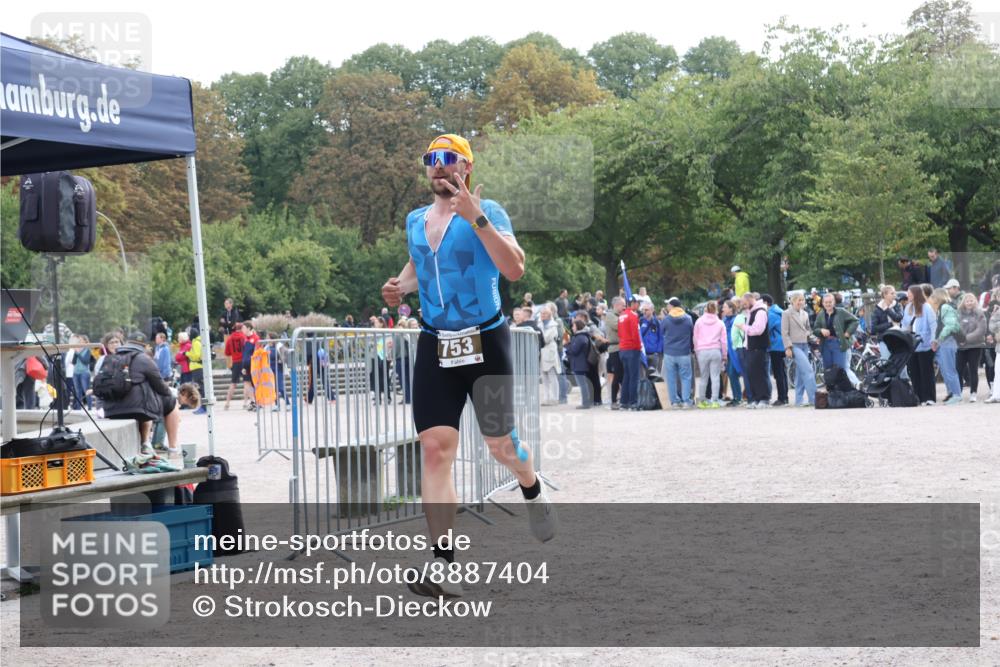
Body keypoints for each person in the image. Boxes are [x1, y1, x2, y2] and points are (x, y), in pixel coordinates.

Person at [380, 133, 555, 600]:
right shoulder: (415, 220)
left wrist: (474, 217)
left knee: (502, 446)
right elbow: (419, 264)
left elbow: (515, 268)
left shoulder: (488, 210)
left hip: (485, 342)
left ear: (466, 167)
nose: (438, 167)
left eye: (448, 159)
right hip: (436, 345)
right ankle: (443, 565)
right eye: (431, 160)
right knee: (435, 450)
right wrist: (400, 287)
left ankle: (530, 484)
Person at [102, 334, 187, 454]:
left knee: (144, 401)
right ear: (144, 347)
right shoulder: (143, 359)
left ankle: (147, 442)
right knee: (171, 402)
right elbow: (161, 387)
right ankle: (170, 447)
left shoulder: (111, 359)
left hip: (110, 410)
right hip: (135, 410)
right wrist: (172, 393)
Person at [813, 293, 860, 389]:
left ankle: (844, 391)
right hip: (826, 345)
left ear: (834, 302)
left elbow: (855, 321)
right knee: (828, 370)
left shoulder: (841, 311)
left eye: (830, 302)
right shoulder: (821, 314)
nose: (828, 304)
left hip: (839, 344)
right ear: (823, 303)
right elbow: (815, 329)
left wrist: (847, 333)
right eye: (826, 302)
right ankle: (832, 393)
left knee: (840, 369)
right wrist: (821, 331)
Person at [901, 285, 938, 405]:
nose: (908, 295)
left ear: (915, 294)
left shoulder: (926, 307)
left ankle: (929, 397)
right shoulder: (908, 307)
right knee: (914, 372)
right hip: (912, 344)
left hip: (925, 343)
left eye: (909, 293)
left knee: (926, 372)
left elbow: (933, 325)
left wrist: (933, 340)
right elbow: (905, 324)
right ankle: (919, 397)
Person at [781, 293, 817, 407]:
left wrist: (815, 339)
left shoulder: (805, 313)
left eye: (802, 300)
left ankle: (798, 400)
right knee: (808, 371)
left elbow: (808, 330)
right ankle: (814, 399)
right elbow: (784, 332)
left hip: (805, 345)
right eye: (799, 300)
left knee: (800, 373)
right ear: (793, 301)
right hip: (794, 345)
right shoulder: (786, 313)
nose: (801, 302)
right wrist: (788, 347)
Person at [929, 288, 962, 405]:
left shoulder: (945, 307)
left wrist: (939, 339)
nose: (931, 300)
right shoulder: (943, 308)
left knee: (950, 370)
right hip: (945, 342)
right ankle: (952, 393)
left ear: (938, 297)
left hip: (948, 342)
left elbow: (951, 325)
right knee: (945, 370)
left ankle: (957, 394)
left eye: (933, 297)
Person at [738, 292, 770, 408]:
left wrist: (744, 327)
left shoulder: (760, 312)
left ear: (751, 299)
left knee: (759, 374)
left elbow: (758, 330)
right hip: (750, 347)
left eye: (745, 303)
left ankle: (764, 399)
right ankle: (756, 399)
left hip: (758, 348)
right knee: (751, 374)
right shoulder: (750, 312)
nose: (743, 305)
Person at [661, 297, 694, 408]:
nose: (667, 307)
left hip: (669, 352)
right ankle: (686, 401)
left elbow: (662, 332)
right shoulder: (688, 319)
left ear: (672, 306)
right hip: (684, 352)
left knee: (671, 378)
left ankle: (674, 402)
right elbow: (691, 333)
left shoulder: (666, 319)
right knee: (685, 377)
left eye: (668, 305)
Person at [693, 301, 726, 407]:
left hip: (702, 351)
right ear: (716, 310)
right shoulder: (720, 323)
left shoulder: (699, 321)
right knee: (715, 377)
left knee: (703, 377)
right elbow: (724, 341)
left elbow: (695, 338)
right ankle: (715, 400)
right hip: (715, 350)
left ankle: (702, 401)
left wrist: (697, 351)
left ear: (705, 309)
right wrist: (725, 354)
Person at [955, 292, 987, 402]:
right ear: (963, 302)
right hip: (961, 347)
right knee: (959, 369)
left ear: (975, 301)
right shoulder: (958, 313)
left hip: (975, 346)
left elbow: (981, 330)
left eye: (971, 300)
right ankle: (958, 392)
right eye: (967, 301)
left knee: (973, 370)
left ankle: (973, 392)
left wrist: (966, 339)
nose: (969, 303)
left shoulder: (980, 313)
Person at [762, 294, 788, 406]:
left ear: (766, 303)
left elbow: (766, 330)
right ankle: (784, 397)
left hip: (775, 346)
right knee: (782, 372)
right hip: (782, 345)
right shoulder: (779, 311)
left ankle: (782, 398)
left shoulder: (771, 314)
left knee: (778, 374)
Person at [617, 297, 642, 411]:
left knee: (626, 376)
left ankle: (623, 402)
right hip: (632, 349)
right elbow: (635, 334)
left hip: (622, 349)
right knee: (634, 377)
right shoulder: (633, 316)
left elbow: (620, 333)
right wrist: (639, 347)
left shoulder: (621, 315)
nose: (638, 306)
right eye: (637, 303)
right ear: (633, 303)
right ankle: (633, 402)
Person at [566, 319, 594, 408]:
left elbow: (574, 351)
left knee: (582, 384)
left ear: (578, 326)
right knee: (583, 384)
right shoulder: (581, 336)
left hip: (580, 364)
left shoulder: (580, 337)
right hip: (580, 363)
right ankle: (586, 402)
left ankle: (585, 403)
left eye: (573, 326)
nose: (572, 328)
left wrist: (567, 345)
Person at [721, 299, 743, 404]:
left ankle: (738, 398)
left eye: (725, 307)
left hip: (735, 350)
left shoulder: (736, 319)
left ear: (730, 309)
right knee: (731, 373)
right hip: (728, 351)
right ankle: (737, 397)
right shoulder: (724, 320)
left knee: (733, 373)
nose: (723, 309)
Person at [605, 297, 623, 409]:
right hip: (615, 348)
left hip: (622, 347)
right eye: (623, 305)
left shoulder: (619, 315)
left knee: (623, 375)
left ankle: (622, 398)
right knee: (617, 375)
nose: (624, 307)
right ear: (616, 305)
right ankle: (613, 400)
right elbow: (619, 326)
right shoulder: (610, 315)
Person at [223, 322, 246, 410]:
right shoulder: (244, 337)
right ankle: (245, 403)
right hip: (244, 362)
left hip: (235, 362)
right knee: (246, 383)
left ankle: (227, 403)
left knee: (233, 383)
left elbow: (227, 353)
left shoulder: (230, 338)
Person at [186, 326, 207, 415]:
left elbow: (197, 355)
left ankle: (204, 407)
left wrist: (187, 353)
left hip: (197, 367)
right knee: (200, 388)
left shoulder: (196, 342)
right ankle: (202, 407)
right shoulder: (197, 341)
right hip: (197, 367)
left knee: (201, 388)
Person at [240, 321, 261, 410]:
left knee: (254, 384)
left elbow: (258, 352)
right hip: (246, 365)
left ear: (248, 328)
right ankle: (253, 401)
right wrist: (243, 366)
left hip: (253, 365)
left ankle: (258, 402)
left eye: (243, 328)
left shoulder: (256, 338)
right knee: (246, 384)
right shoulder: (244, 339)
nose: (242, 330)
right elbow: (244, 353)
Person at [639, 302, 663, 373]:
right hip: (643, 354)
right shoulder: (640, 321)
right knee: (643, 376)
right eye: (643, 310)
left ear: (652, 310)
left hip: (654, 354)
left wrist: (658, 351)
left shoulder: (657, 322)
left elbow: (661, 338)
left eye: (646, 310)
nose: (644, 312)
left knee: (654, 376)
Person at [987, 288, 1000, 403]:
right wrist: (994, 315)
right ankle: (996, 394)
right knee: (998, 371)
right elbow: (992, 327)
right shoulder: (997, 311)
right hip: (999, 347)